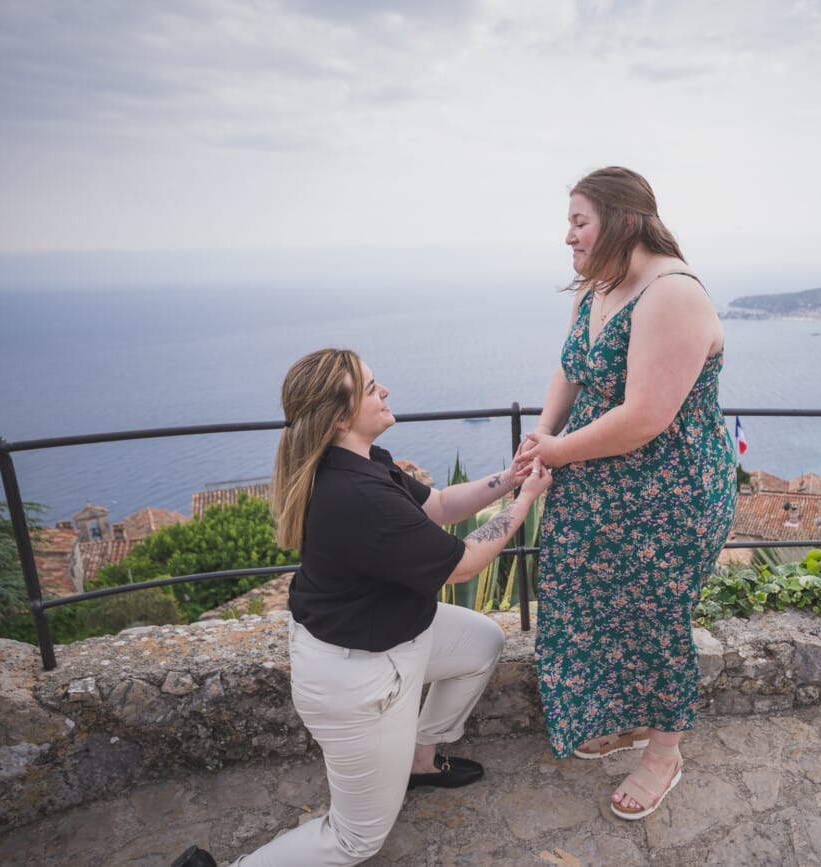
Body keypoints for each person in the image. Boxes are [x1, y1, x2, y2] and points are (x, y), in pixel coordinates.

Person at [173, 347, 551, 867]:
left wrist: (509, 478)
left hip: (398, 636)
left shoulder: (361, 462)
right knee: (355, 840)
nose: (386, 391)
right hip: (359, 678)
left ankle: (420, 762)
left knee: (483, 642)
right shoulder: (358, 497)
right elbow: (462, 564)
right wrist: (525, 503)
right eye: (373, 388)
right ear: (339, 418)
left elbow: (439, 506)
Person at [521, 166, 738, 820]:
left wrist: (557, 452)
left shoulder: (672, 293)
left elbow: (646, 416)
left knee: (650, 614)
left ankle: (663, 752)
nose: (568, 236)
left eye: (579, 221)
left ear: (620, 220)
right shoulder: (599, 283)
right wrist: (541, 434)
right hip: (599, 481)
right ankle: (620, 716)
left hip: (666, 493)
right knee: (586, 594)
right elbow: (571, 363)